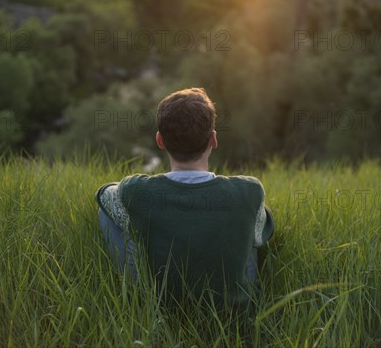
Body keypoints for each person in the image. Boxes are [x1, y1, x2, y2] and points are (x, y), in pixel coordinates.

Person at [95, 87, 274, 309]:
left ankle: (139, 300)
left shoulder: (136, 190)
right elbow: (263, 232)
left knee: (107, 209)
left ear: (160, 141)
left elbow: (103, 195)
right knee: (252, 217)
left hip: (161, 308)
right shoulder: (249, 190)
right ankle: (243, 299)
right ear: (213, 139)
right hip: (233, 322)